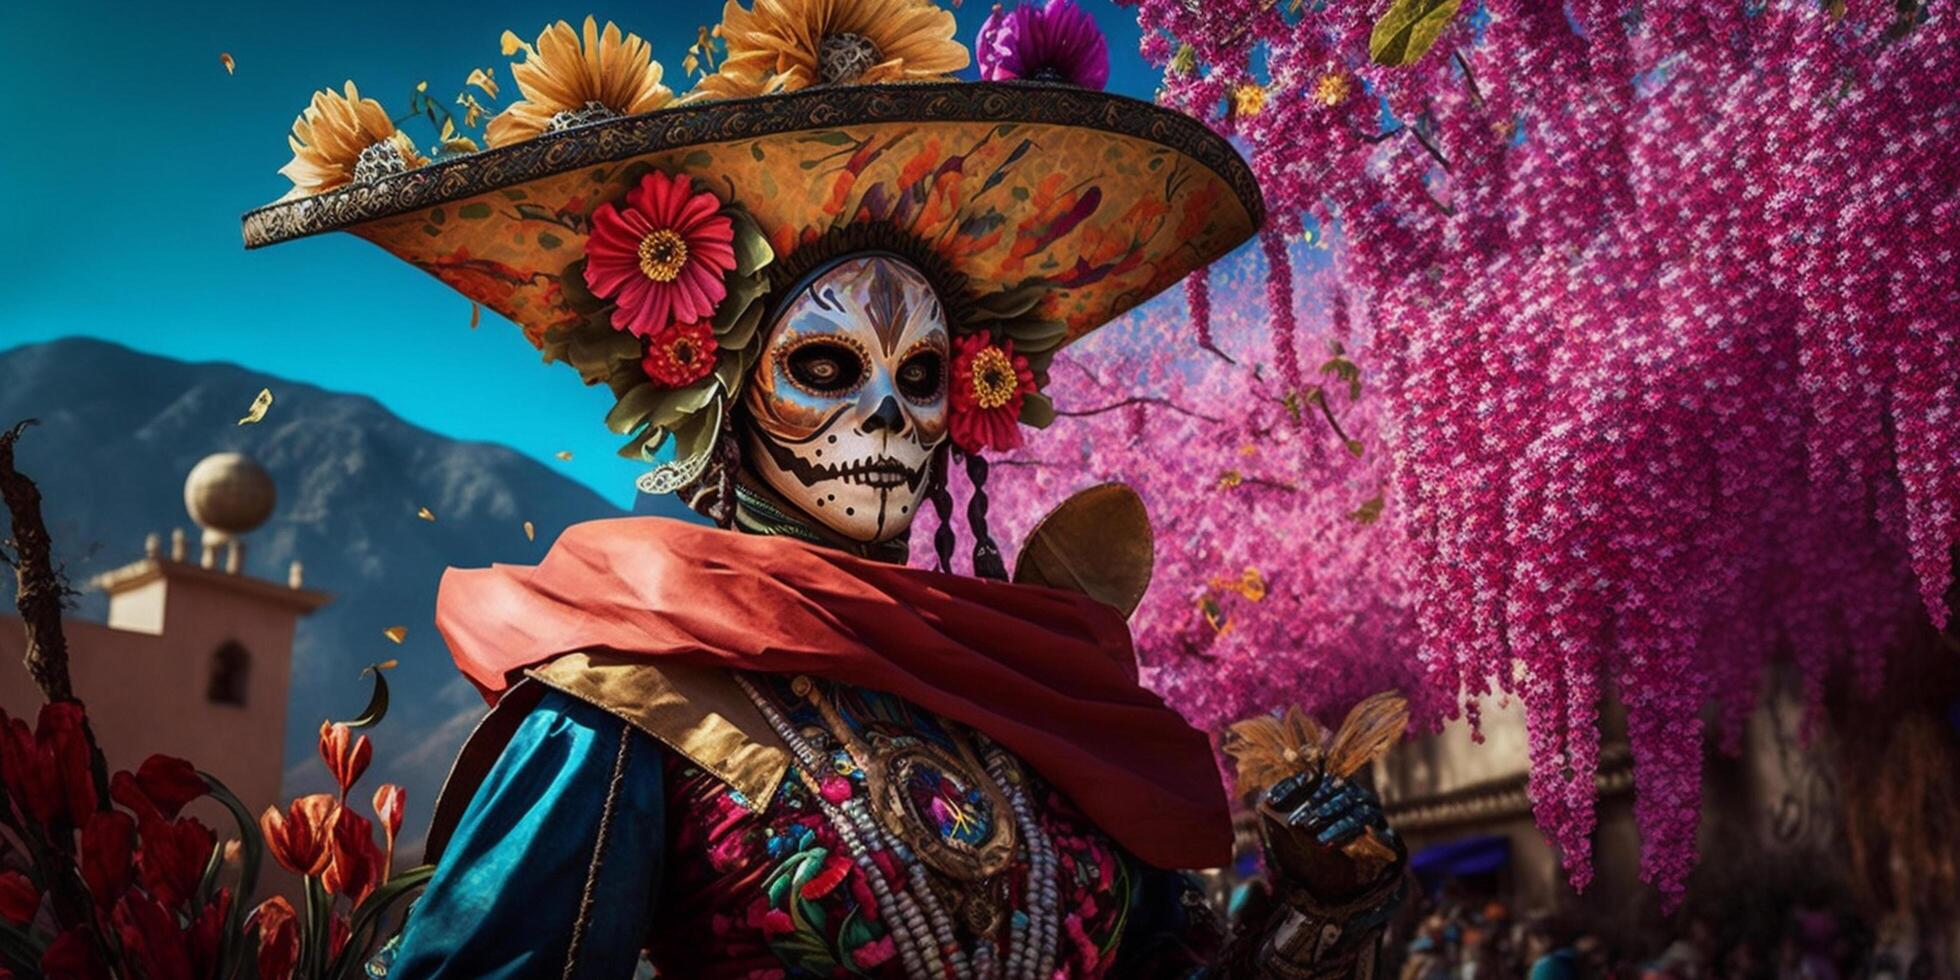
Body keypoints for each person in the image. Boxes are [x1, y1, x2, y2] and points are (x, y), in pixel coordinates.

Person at [245, 1, 1410, 976]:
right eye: (824, 367)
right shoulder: (627, 690)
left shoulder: (1030, 695)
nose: (888, 418)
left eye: (923, 377)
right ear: (719, 391)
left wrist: (1310, 914)